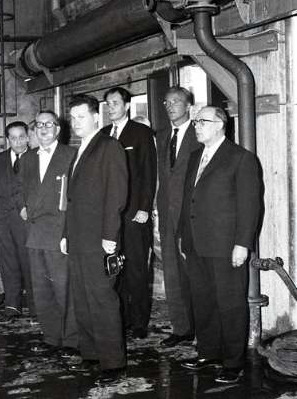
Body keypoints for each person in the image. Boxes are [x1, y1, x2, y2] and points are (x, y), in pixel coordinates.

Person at [178, 106, 262, 384]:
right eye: (195, 122)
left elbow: (250, 206)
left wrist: (242, 244)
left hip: (226, 245)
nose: (196, 126)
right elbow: (188, 200)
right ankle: (208, 352)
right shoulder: (195, 157)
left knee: (230, 304)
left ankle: (234, 362)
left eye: (202, 121)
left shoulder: (241, 158)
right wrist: (183, 236)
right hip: (196, 242)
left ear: (220, 124)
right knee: (203, 301)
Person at [61, 94, 128, 385]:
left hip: (99, 238)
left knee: (102, 299)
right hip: (78, 237)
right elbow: (72, 199)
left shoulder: (108, 146)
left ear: (96, 117)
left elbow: (117, 194)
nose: (76, 123)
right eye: (73, 118)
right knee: (82, 298)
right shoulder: (79, 150)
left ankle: (113, 363)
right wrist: (66, 234)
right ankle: (90, 354)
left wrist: (109, 236)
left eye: (81, 117)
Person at [18, 110, 78, 354]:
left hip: (59, 231)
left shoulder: (71, 155)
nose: (43, 129)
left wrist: (68, 233)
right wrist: (23, 206)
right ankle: (52, 336)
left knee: (65, 289)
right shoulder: (28, 158)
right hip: (34, 233)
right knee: (41, 290)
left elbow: (76, 197)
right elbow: (21, 188)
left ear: (58, 129)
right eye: (39, 125)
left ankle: (72, 340)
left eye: (48, 124)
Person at [101, 87, 157, 338]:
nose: (111, 107)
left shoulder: (141, 133)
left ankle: (139, 322)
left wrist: (145, 207)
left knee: (136, 269)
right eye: (108, 104)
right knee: (115, 268)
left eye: (115, 103)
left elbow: (149, 172)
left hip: (135, 214)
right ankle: (120, 318)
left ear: (127, 105)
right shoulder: (103, 135)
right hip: (111, 215)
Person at [156, 87, 199, 347]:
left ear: (188, 106)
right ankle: (181, 329)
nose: (170, 106)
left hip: (191, 217)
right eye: (167, 102)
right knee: (172, 273)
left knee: (195, 273)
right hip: (166, 216)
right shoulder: (162, 136)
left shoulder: (199, 133)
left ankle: (202, 330)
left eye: (176, 101)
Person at [0, 121, 34, 317]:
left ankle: (35, 306)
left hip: (25, 220)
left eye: (21, 137)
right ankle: (12, 304)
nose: (18, 141)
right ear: (8, 140)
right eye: (13, 138)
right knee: (7, 262)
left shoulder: (36, 158)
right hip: (2, 220)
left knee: (29, 262)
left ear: (28, 137)